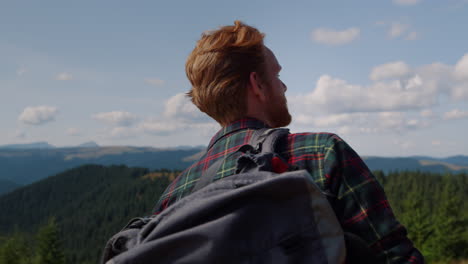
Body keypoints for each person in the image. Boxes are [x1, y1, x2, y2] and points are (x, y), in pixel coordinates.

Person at [153, 21, 424, 263]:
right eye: (277, 76)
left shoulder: (173, 198)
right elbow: (396, 257)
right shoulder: (322, 153)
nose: (283, 87)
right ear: (257, 84)